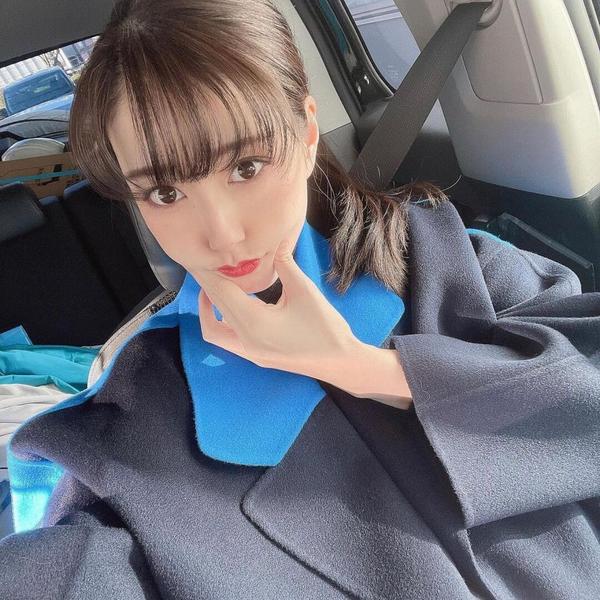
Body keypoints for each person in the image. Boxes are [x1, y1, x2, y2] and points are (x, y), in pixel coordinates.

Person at [1, 1, 599, 598]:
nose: (222, 234)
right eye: (164, 192)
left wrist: (360, 366)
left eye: (246, 166)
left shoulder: (456, 260)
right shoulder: (128, 431)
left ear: (307, 135)